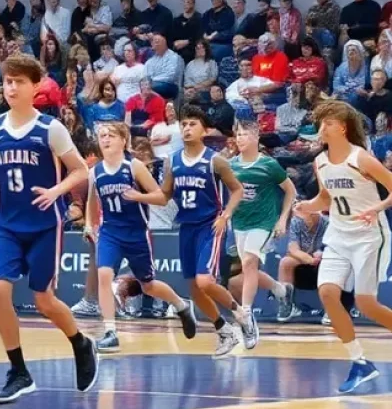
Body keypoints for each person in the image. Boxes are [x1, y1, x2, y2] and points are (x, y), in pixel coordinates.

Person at [0, 55, 97, 404]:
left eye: (19, 81)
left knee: (44, 300)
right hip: (7, 225)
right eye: (8, 81)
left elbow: (80, 171)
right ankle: (18, 371)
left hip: (45, 224)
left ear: (35, 87)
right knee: (0, 291)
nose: (11, 87)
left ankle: (80, 342)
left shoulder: (51, 129)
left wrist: (56, 191)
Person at [293, 100, 392, 393]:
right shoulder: (320, 161)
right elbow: (326, 198)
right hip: (338, 235)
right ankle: (359, 362)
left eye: (327, 122)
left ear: (342, 127)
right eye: (320, 123)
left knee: (366, 304)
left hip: (368, 237)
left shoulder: (362, 158)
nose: (321, 127)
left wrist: (378, 206)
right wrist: (307, 206)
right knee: (327, 292)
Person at [86, 121, 196, 352]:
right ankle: (110, 332)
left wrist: (138, 196)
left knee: (148, 286)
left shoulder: (133, 166)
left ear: (123, 140)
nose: (105, 139)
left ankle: (181, 305)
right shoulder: (95, 171)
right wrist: (89, 224)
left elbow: (161, 197)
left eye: (110, 135)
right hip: (110, 232)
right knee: (104, 274)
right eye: (102, 135)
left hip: (136, 233)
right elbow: (92, 201)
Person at [161, 106, 252, 357]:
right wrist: (137, 195)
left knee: (205, 281)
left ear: (205, 130)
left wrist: (226, 215)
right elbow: (163, 195)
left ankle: (241, 314)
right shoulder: (173, 160)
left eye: (192, 124)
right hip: (186, 227)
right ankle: (224, 330)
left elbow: (237, 190)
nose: (187, 128)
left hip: (210, 225)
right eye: (184, 124)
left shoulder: (216, 160)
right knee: (193, 288)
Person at [227, 119, 296, 346]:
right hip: (240, 223)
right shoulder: (230, 165)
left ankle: (247, 314)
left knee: (248, 263)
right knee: (250, 269)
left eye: (245, 134)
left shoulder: (269, 165)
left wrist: (282, 220)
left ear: (256, 137)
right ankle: (280, 289)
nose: (240, 138)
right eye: (237, 135)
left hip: (264, 222)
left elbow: (291, 191)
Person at [276, 210, 329, 322]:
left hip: (325, 260)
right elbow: (293, 249)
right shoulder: (296, 222)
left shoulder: (327, 223)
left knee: (332, 262)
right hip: (303, 259)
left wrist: (321, 254)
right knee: (286, 262)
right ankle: (287, 305)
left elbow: (331, 246)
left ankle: (331, 309)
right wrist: (309, 259)